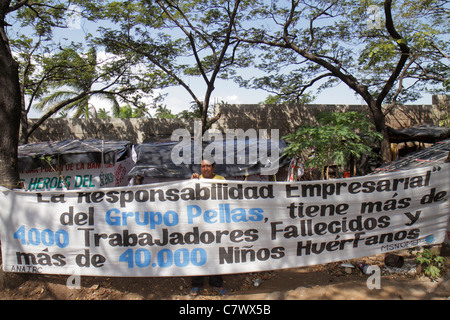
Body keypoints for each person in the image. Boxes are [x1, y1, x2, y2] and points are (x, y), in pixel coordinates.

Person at [190, 159, 226, 296]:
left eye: (208, 166)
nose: (205, 168)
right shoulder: (195, 180)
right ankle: (196, 284)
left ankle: (217, 283)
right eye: (203, 166)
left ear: (213, 167)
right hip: (199, 224)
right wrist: (191, 181)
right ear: (200, 168)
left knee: (216, 253)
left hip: (216, 223)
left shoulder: (221, 179)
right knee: (198, 254)